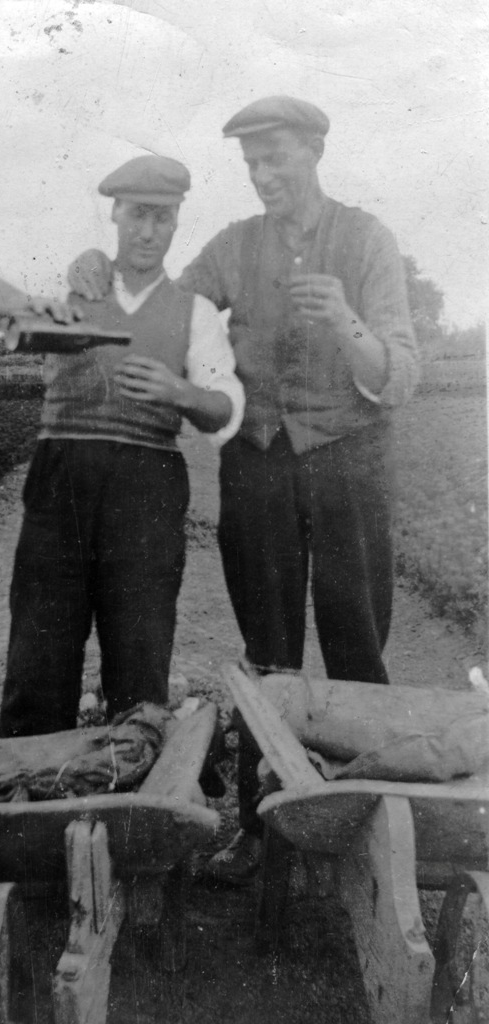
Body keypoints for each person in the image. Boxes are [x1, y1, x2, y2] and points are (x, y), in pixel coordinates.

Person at [67, 97, 419, 884]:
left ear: (316, 152)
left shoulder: (366, 240)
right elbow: (165, 310)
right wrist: (96, 272)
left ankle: (370, 832)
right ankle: (265, 838)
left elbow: (398, 375)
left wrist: (347, 324)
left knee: (357, 643)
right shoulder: (234, 247)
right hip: (258, 466)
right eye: (252, 164)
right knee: (268, 656)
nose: (263, 177)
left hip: (347, 462)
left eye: (277, 159)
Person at [0, 154, 245, 743]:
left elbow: (227, 407)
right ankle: (27, 792)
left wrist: (178, 390)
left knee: (140, 643)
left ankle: (134, 790)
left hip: (147, 482)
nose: (148, 232)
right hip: (62, 477)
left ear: (178, 221)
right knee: (40, 642)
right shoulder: (76, 291)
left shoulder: (195, 312)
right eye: (137, 215)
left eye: (162, 218)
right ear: (115, 214)